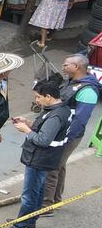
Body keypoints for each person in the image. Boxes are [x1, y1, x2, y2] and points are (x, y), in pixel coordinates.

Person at [0, 79, 74, 228]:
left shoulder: (55, 116)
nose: (36, 100)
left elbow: (43, 140)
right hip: (47, 158)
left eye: (38, 97)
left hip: (39, 158)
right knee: (38, 191)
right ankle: (29, 220)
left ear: (48, 96)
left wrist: (26, 130)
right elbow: (46, 129)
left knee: (30, 194)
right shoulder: (61, 109)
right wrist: (29, 123)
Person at [42, 54, 100, 210]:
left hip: (68, 135)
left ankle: (45, 205)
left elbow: (80, 119)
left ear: (76, 67)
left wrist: (67, 137)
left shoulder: (88, 91)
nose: (63, 67)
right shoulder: (71, 81)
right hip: (60, 131)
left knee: (52, 166)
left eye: (66, 65)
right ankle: (55, 200)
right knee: (59, 165)